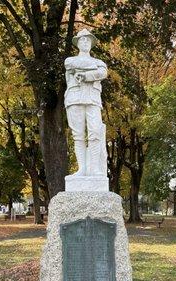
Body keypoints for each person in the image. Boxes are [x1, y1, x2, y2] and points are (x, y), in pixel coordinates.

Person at [64, 29, 107, 176]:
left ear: (92, 44)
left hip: (93, 98)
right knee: (78, 135)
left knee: (95, 132)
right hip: (74, 98)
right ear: (77, 43)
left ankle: (94, 168)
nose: (85, 42)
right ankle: (82, 169)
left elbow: (103, 73)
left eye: (88, 40)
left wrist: (85, 75)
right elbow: (71, 65)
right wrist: (93, 70)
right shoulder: (70, 60)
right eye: (82, 40)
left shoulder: (99, 62)